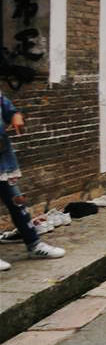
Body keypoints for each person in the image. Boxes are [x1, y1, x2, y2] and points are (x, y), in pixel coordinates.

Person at [0, 89, 66, 270]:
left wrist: (15, 117)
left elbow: (11, 110)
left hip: (3, 163)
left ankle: (34, 244)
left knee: (18, 204)